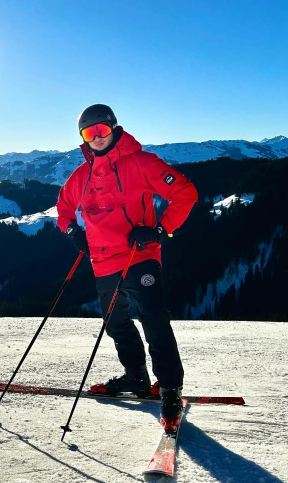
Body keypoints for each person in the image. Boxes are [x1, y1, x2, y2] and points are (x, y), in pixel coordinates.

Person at [56, 104, 198, 431]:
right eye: (89, 134)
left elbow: (185, 193)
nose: (97, 138)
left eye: (102, 131)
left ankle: (170, 389)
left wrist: (160, 230)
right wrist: (72, 231)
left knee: (154, 321)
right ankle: (136, 376)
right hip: (103, 261)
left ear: (114, 128)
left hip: (139, 255)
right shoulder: (82, 176)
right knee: (115, 323)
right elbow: (63, 209)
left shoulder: (141, 163)